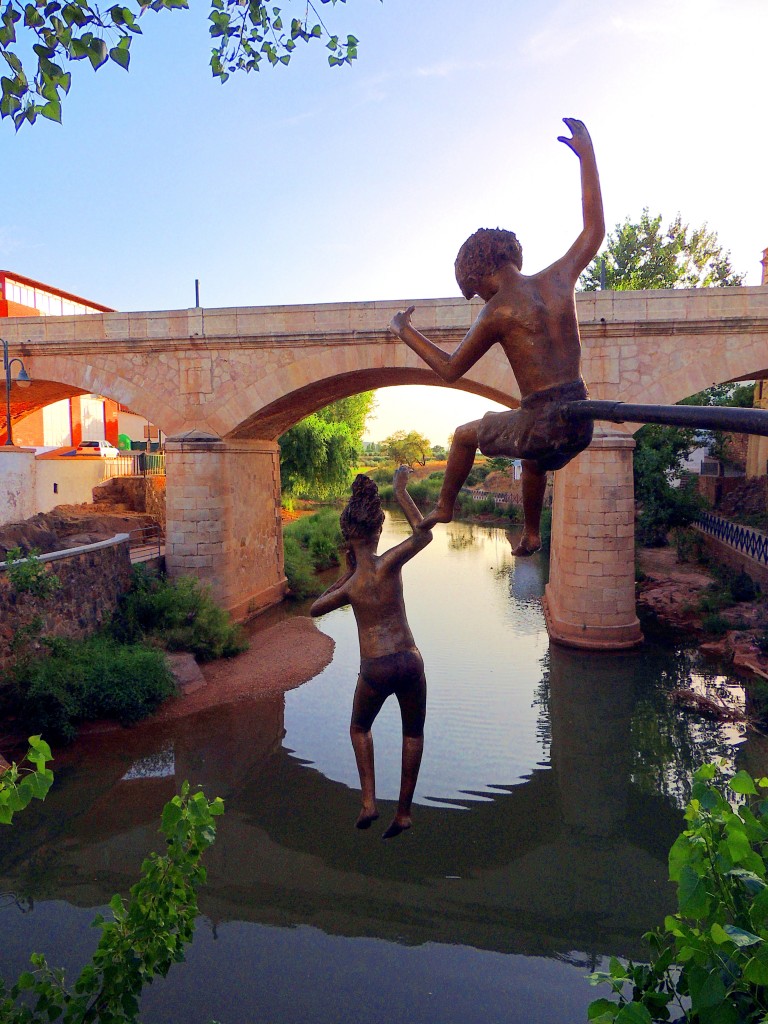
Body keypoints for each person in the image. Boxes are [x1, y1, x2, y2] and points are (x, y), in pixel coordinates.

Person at [389, 117, 605, 556]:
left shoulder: (497, 310)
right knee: (530, 452)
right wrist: (587, 158)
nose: (477, 298)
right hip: (580, 419)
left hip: (545, 422)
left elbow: (450, 370)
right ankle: (529, 533)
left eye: (474, 290)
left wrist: (406, 331)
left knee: (464, 435)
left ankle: (447, 507)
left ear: (480, 272)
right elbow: (593, 230)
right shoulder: (560, 277)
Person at [310, 468, 432, 839]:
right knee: (413, 733)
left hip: (375, 667)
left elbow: (315, 608)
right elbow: (423, 534)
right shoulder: (389, 562)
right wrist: (401, 491)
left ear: (349, 538)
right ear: (378, 533)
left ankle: (368, 802)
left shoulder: (351, 586)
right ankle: (405, 813)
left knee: (359, 727)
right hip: (409, 660)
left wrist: (345, 575)